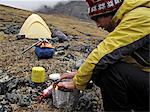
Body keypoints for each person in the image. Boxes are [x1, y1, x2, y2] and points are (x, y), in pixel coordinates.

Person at [58, 0, 150, 111]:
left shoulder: (140, 17)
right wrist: (81, 73)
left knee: (110, 71)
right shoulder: (132, 15)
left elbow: (104, 53)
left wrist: (77, 82)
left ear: (109, 10)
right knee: (101, 68)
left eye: (98, 18)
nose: (97, 25)